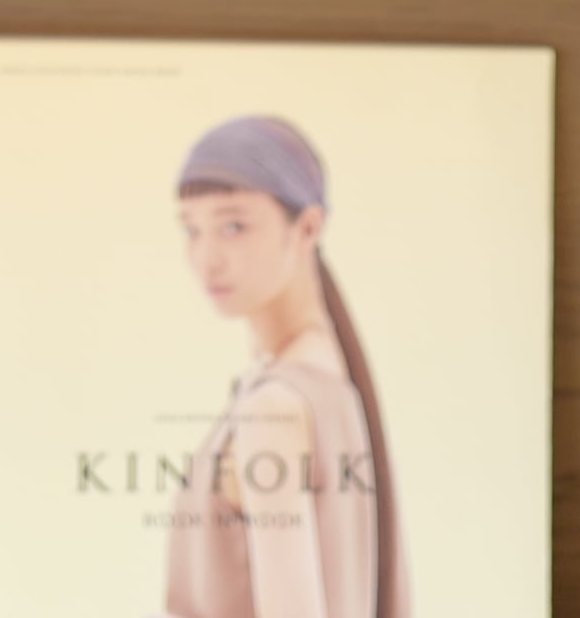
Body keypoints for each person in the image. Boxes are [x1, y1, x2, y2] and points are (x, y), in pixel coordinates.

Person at [163, 115, 406, 618]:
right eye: (191, 229)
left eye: (233, 226)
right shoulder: (331, 380)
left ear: (308, 227)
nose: (207, 258)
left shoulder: (275, 406)